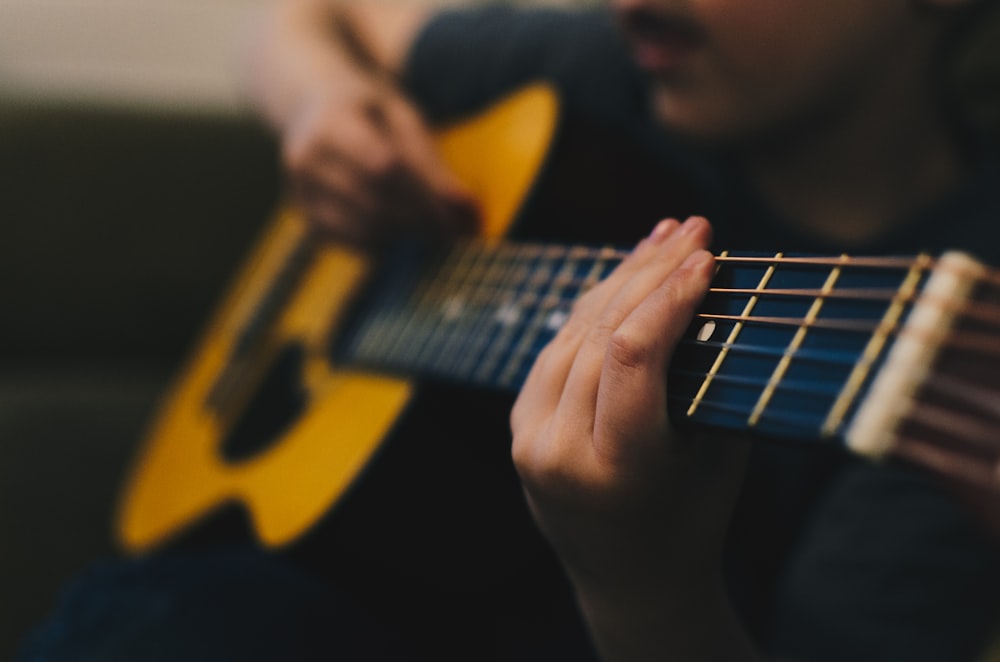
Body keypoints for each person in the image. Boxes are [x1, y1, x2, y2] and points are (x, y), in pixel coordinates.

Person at [17, 0, 1000, 661]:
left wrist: (639, 584)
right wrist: (321, 103)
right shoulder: (616, 71)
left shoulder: (949, 357)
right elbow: (308, 15)